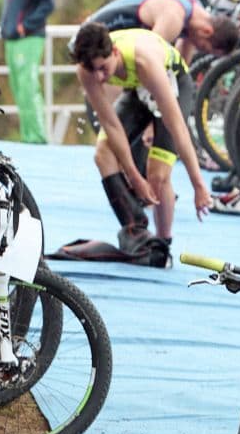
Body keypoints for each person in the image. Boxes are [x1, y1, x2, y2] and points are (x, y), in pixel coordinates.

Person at [71, 22, 211, 261]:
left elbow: (178, 128)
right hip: (136, 90)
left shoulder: (145, 62)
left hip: (171, 81)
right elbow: (112, 126)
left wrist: (198, 186)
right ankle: (137, 231)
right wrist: (134, 177)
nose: (100, 78)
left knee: (157, 175)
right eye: (94, 71)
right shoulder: (87, 72)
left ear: (114, 52)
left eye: (104, 69)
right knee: (103, 154)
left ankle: (163, 243)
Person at [0, 0, 54, 145]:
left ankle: (37, 137)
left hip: (29, 38)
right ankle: (27, 134)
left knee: (28, 85)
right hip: (11, 38)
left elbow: (47, 3)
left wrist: (25, 26)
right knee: (17, 87)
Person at [85, 0, 239, 63]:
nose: (199, 49)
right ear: (206, 31)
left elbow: (180, 68)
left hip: (111, 43)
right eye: (204, 48)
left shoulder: (194, 15)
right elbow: (145, 59)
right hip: (90, 41)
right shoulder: (174, 18)